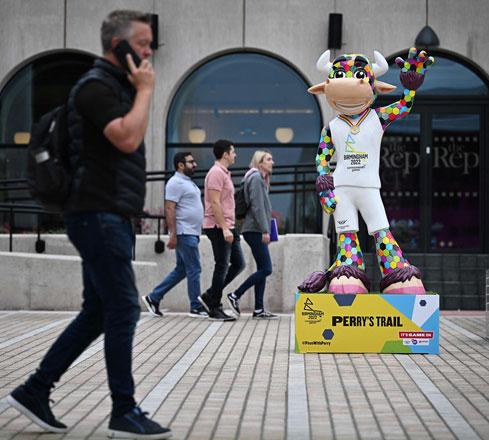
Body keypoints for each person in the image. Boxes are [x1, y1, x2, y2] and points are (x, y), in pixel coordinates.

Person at [7, 10, 171, 439]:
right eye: (141, 43)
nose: (149, 51)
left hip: (101, 213)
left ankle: (35, 390)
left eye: (150, 43)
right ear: (116, 45)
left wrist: (138, 90)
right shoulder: (97, 87)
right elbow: (128, 138)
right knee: (122, 307)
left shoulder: (114, 86)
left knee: (98, 310)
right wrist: (147, 91)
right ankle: (124, 410)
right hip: (98, 214)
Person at [143, 152, 207, 318]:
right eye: (191, 162)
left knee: (182, 269)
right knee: (194, 268)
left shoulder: (187, 182)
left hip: (191, 232)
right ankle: (196, 306)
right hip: (184, 232)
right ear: (180, 164)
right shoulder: (175, 183)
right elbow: (169, 208)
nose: (195, 165)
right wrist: (173, 234)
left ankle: (154, 297)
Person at [227, 150, 278, 319]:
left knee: (262, 269)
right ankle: (235, 295)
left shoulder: (259, 179)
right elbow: (257, 207)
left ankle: (258, 309)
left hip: (255, 229)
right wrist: (265, 230)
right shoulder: (255, 178)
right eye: (269, 159)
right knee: (266, 269)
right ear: (260, 163)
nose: (273, 162)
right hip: (255, 229)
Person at [198, 139, 245, 321]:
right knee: (222, 266)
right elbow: (215, 202)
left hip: (228, 226)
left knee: (238, 263)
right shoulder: (216, 173)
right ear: (225, 154)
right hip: (218, 227)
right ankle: (214, 306)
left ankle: (210, 295)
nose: (235, 155)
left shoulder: (224, 173)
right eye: (233, 152)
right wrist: (225, 228)